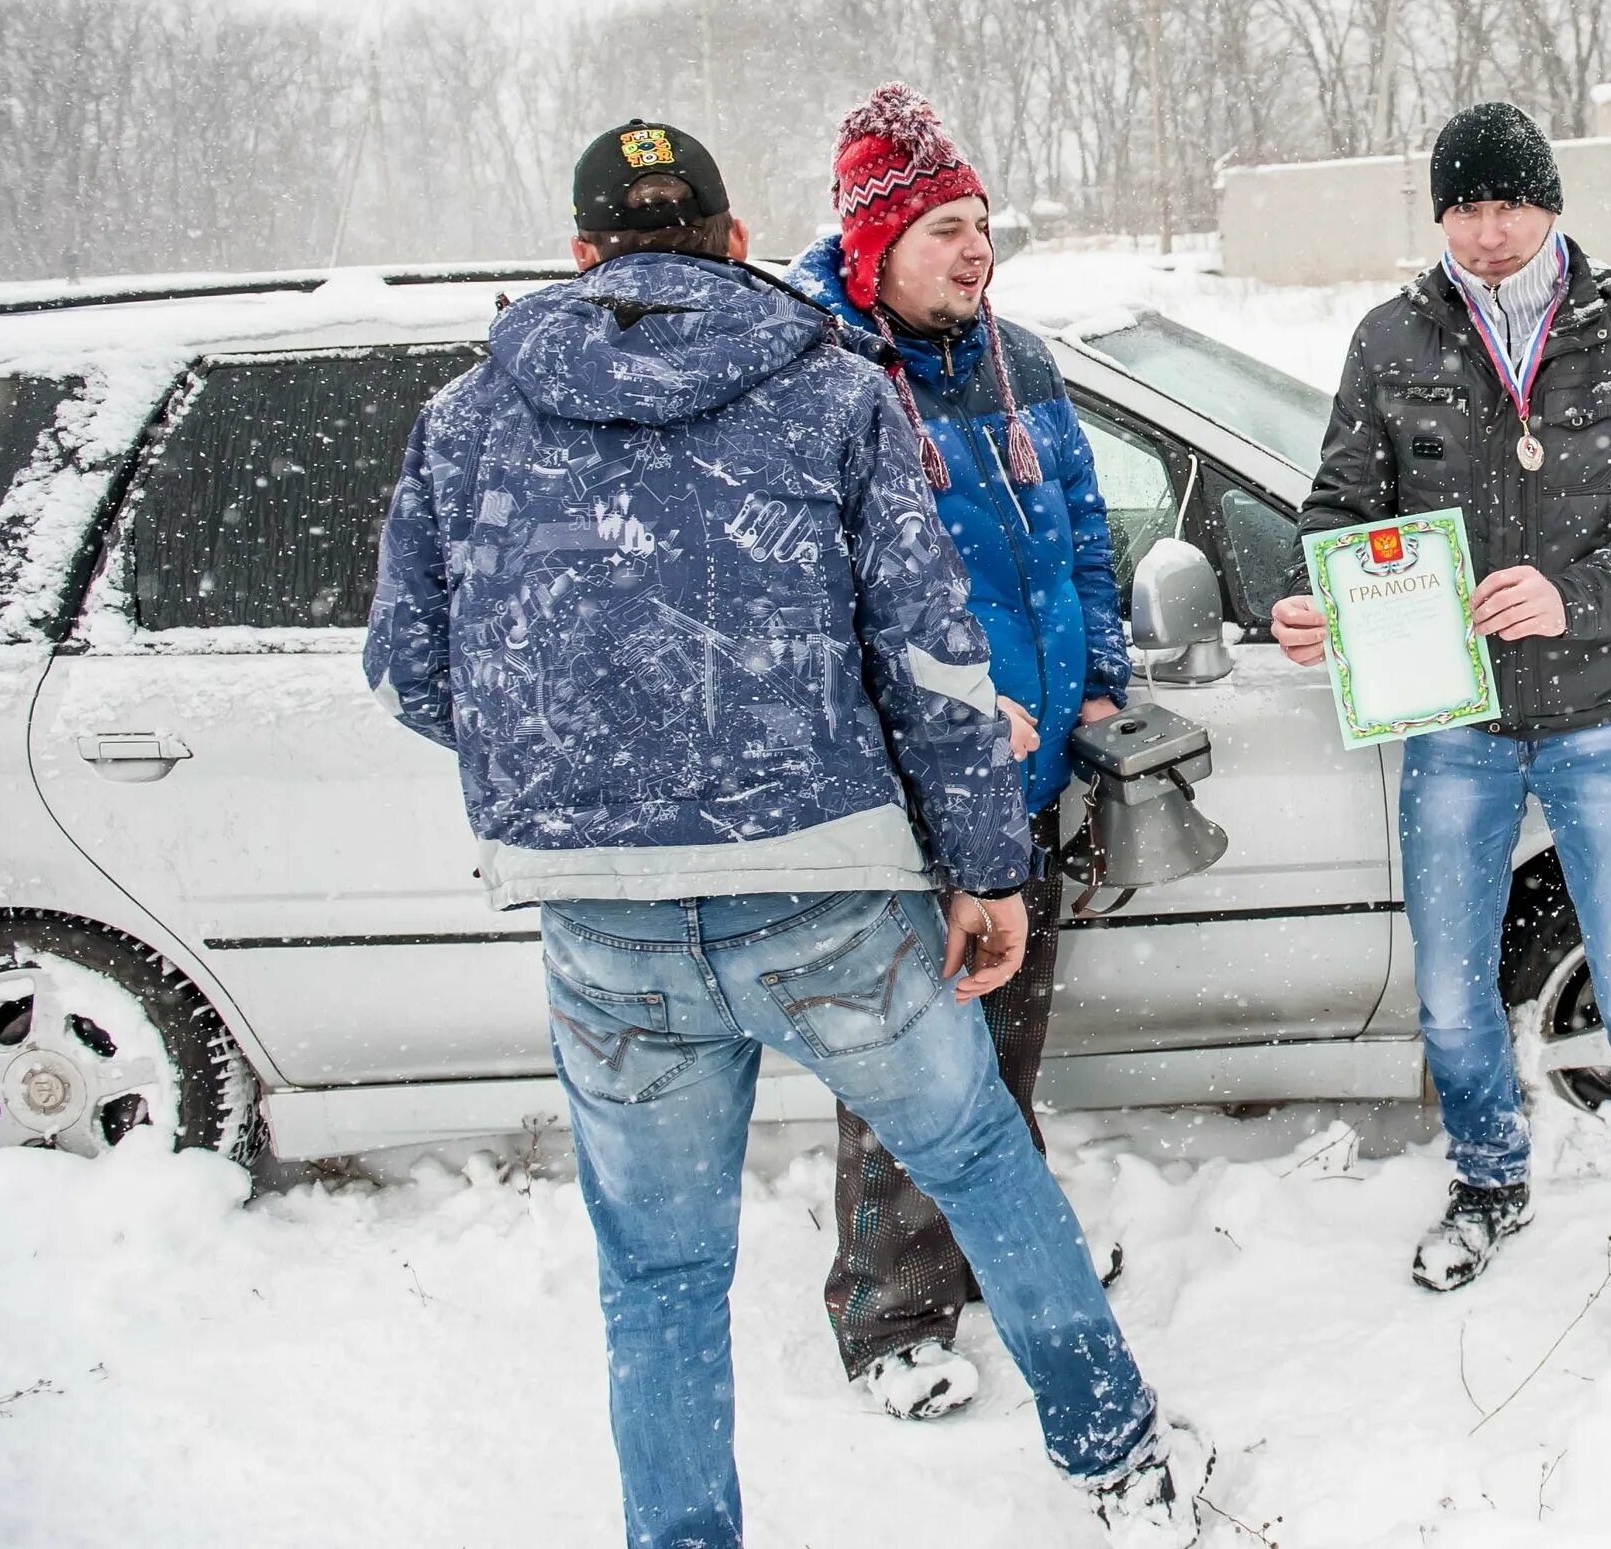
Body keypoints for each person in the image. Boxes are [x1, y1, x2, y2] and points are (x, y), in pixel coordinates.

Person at [364, 119, 1205, 1546]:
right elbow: (932, 663)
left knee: (662, 1278)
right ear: (739, 239)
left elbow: (412, 669)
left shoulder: (470, 416)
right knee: (983, 1162)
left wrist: (591, 771)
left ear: (579, 257)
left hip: (604, 925)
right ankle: (1121, 1464)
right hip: (821, 893)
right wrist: (986, 866)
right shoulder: (826, 395)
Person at [1272, 100, 1611, 1328]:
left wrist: (1575, 594)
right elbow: (1341, 505)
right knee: (1448, 989)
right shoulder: (1391, 340)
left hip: (1603, 720)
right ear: (1440, 214)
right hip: (1454, 725)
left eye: (1510, 205)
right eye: (1465, 207)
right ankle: (1488, 1178)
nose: (1488, 232)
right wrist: (1317, 594)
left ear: (1552, 205)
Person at [785, 84, 1132, 1420]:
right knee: (909, 1073)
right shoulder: (826, 386)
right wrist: (944, 726)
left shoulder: (1018, 365)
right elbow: (811, 612)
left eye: (983, 224)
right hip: (902, 802)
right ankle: (890, 1315)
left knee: (1011, 1048)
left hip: (1025, 788)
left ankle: (1002, 1250)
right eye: (942, 228)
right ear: (874, 244)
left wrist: (1096, 683)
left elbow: (1083, 543)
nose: (975, 250)